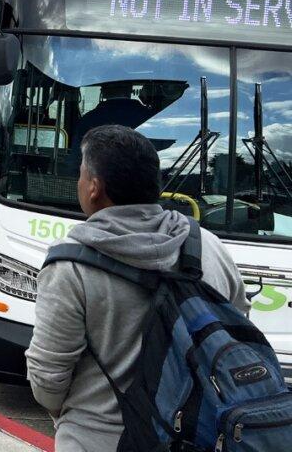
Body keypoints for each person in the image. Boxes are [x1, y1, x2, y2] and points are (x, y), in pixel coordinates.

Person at [26, 125, 247, 452]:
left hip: (96, 439)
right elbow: (236, 323)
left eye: (81, 174)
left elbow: (47, 378)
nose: (79, 182)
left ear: (94, 188)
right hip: (193, 438)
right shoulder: (208, 247)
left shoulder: (70, 265)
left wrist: (73, 415)